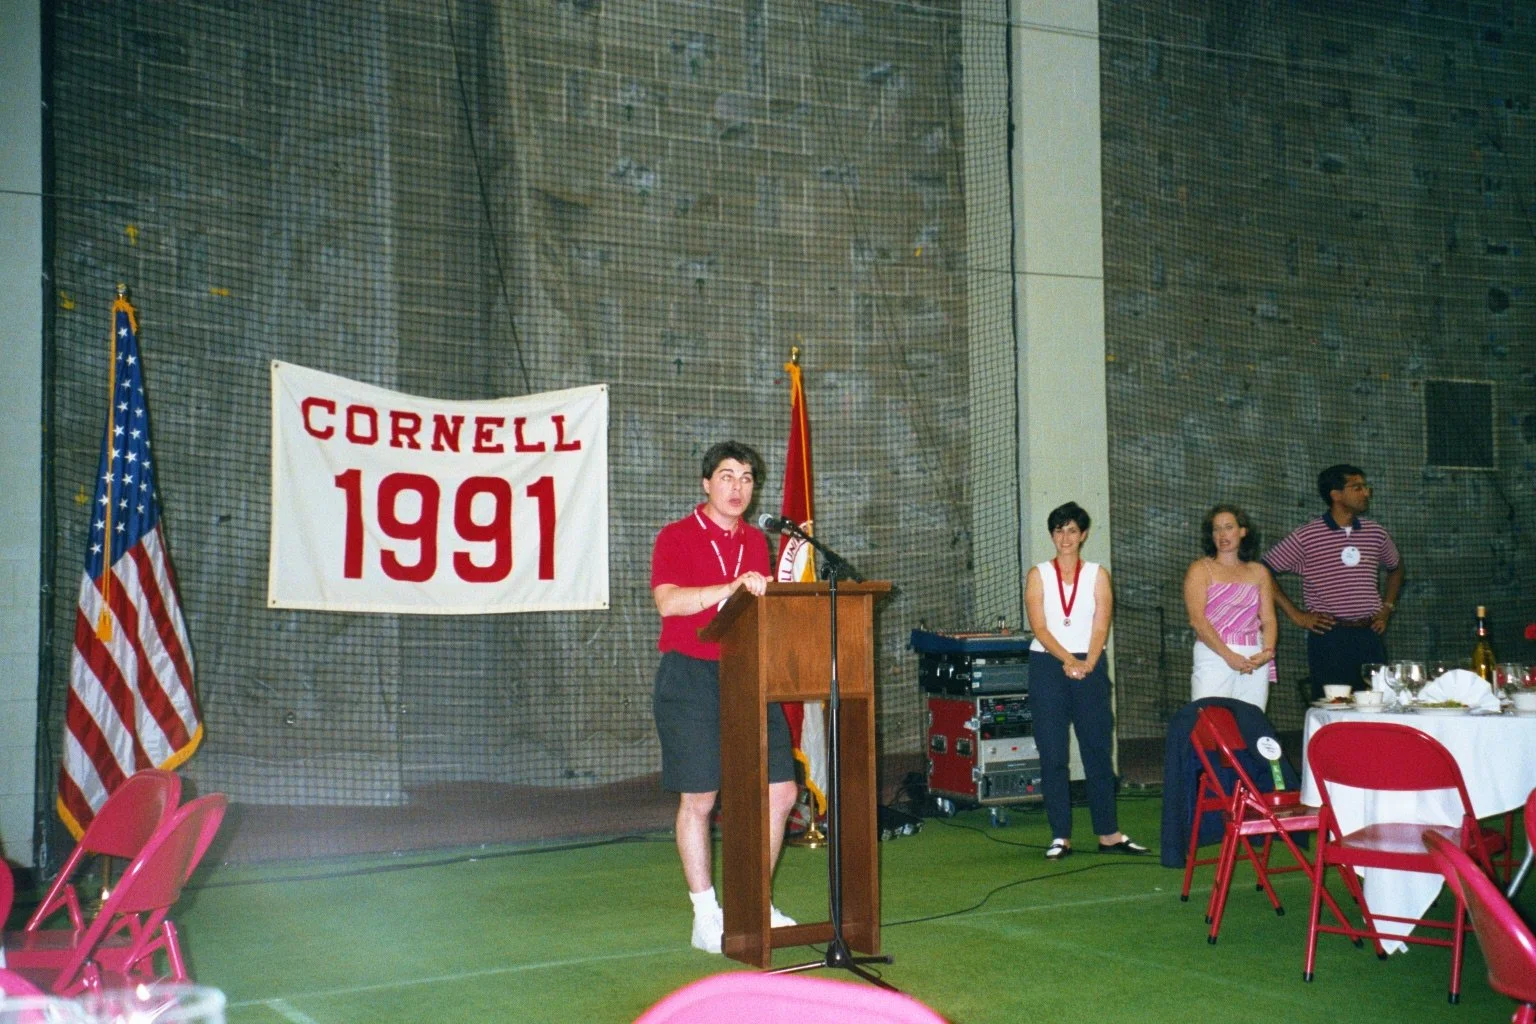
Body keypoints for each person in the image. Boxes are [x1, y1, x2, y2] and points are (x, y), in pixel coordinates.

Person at [650, 441, 799, 953]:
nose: (738, 487)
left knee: (781, 793)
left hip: (747, 677)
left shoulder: (759, 541)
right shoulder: (675, 536)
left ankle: (752, 902)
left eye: (748, 479)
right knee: (701, 798)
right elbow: (668, 602)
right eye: (728, 476)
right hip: (689, 678)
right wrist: (730, 587)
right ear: (706, 483)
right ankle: (705, 914)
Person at [1024, 501, 1148, 860]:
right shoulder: (1038, 575)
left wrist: (1088, 662)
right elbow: (1040, 626)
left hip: (1090, 666)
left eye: (1072, 530)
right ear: (1052, 535)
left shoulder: (1097, 574)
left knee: (1097, 750)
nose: (1066, 537)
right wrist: (1068, 660)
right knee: (1053, 753)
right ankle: (1060, 835)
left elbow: (1100, 624)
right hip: (1049, 666)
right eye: (1059, 530)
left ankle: (1109, 833)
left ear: (1084, 535)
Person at [1263, 464, 1403, 701]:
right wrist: (1297, 615)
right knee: (1335, 708)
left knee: (1377, 706)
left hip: (1370, 635)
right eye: (1357, 487)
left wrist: (1387, 608)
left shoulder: (1376, 532)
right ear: (1335, 495)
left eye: (1365, 487)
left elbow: (1396, 568)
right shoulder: (1307, 536)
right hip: (1330, 638)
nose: (1366, 493)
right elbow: (1262, 571)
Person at [1183, 505, 1277, 709]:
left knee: (1251, 724)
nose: (1222, 534)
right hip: (1214, 655)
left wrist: (1267, 652)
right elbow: (1197, 620)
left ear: (1243, 531)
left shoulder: (1259, 572)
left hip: (1254, 657)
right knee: (1211, 724)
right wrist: (1229, 656)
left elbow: (1268, 619)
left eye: (1228, 527)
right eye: (1216, 529)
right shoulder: (1200, 569)